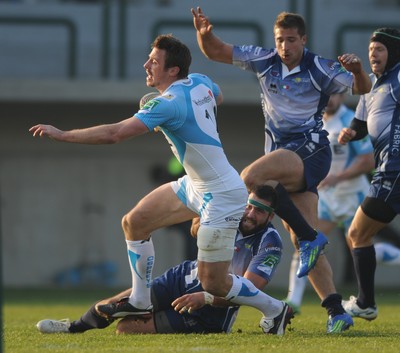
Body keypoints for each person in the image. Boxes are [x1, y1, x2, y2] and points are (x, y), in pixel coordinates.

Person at [29, 34, 292, 334]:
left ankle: (275, 309)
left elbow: (115, 134)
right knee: (135, 222)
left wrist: (63, 134)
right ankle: (140, 299)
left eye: (154, 61)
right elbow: (216, 96)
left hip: (221, 194)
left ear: (173, 71)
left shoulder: (168, 104)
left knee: (213, 282)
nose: (146, 65)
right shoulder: (201, 80)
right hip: (197, 184)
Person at [191, 7, 372, 333]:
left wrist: (358, 70)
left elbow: (362, 89)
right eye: (280, 40)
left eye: (291, 39)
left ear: (303, 39)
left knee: (250, 178)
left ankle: (311, 237)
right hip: (284, 159)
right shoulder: (264, 60)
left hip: (311, 149)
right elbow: (217, 51)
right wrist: (205, 36)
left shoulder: (319, 66)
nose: (285, 46)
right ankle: (336, 311)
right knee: (302, 242)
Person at [36, 185, 288, 335]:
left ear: (270, 216)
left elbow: (252, 288)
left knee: (125, 328)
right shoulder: (233, 213)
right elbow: (194, 229)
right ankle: (72, 327)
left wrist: (207, 297)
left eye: (259, 211)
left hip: (209, 311)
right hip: (181, 277)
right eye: (250, 206)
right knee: (115, 305)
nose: (250, 214)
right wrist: (206, 217)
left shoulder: (270, 241)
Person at [285, 93, 375, 313]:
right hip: (326, 198)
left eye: (335, 94)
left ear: (343, 96)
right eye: (326, 95)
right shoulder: (313, 122)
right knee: (305, 242)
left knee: (359, 247)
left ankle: (366, 302)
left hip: (353, 196)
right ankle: (293, 302)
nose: (330, 100)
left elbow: (368, 160)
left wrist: (338, 177)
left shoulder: (351, 122)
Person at [338, 27, 400, 321]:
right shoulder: (372, 84)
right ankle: (366, 302)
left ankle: (365, 304)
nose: (373, 54)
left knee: (357, 233)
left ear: (394, 53)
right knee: (359, 233)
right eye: (371, 49)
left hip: (394, 171)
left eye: (380, 49)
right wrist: (351, 132)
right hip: (387, 172)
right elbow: (362, 122)